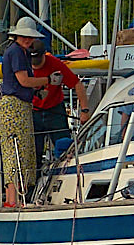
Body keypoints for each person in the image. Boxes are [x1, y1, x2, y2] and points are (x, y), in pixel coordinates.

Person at [0, 16, 52, 207]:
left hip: (19, 105)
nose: (27, 40)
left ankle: (13, 198)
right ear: (17, 36)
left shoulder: (18, 52)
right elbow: (23, 81)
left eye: (29, 37)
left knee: (17, 149)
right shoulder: (16, 53)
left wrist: (36, 89)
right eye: (24, 37)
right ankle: (14, 199)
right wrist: (47, 80)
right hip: (15, 106)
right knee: (17, 150)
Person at [29, 39, 91, 167]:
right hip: (33, 111)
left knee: (64, 149)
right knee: (33, 154)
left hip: (55, 110)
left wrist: (84, 110)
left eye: (38, 61)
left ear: (44, 54)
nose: (36, 65)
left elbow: (76, 84)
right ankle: (33, 182)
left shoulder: (55, 64)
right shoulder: (23, 66)